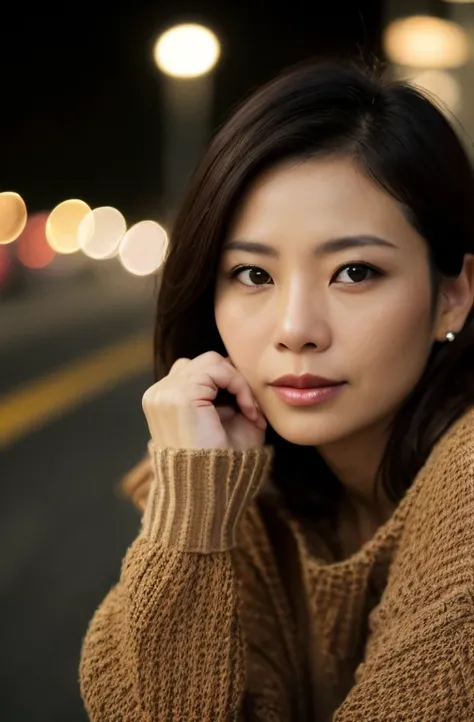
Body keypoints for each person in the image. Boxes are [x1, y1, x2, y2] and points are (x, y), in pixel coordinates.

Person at [80, 61, 474, 721]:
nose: (295, 330)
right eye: (253, 274)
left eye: (354, 271)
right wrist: (194, 506)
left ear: (453, 296)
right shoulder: (249, 489)